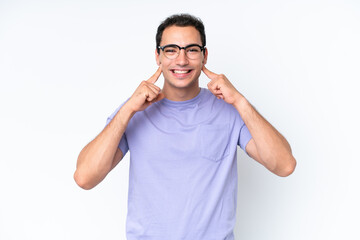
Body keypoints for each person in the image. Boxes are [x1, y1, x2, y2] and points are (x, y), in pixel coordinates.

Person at [74, 13, 296, 240]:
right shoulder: (134, 111)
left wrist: (240, 100)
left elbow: (284, 165)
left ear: (204, 56)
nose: (181, 60)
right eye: (171, 50)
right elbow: (85, 177)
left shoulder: (230, 110)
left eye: (191, 50)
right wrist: (127, 110)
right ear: (157, 56)